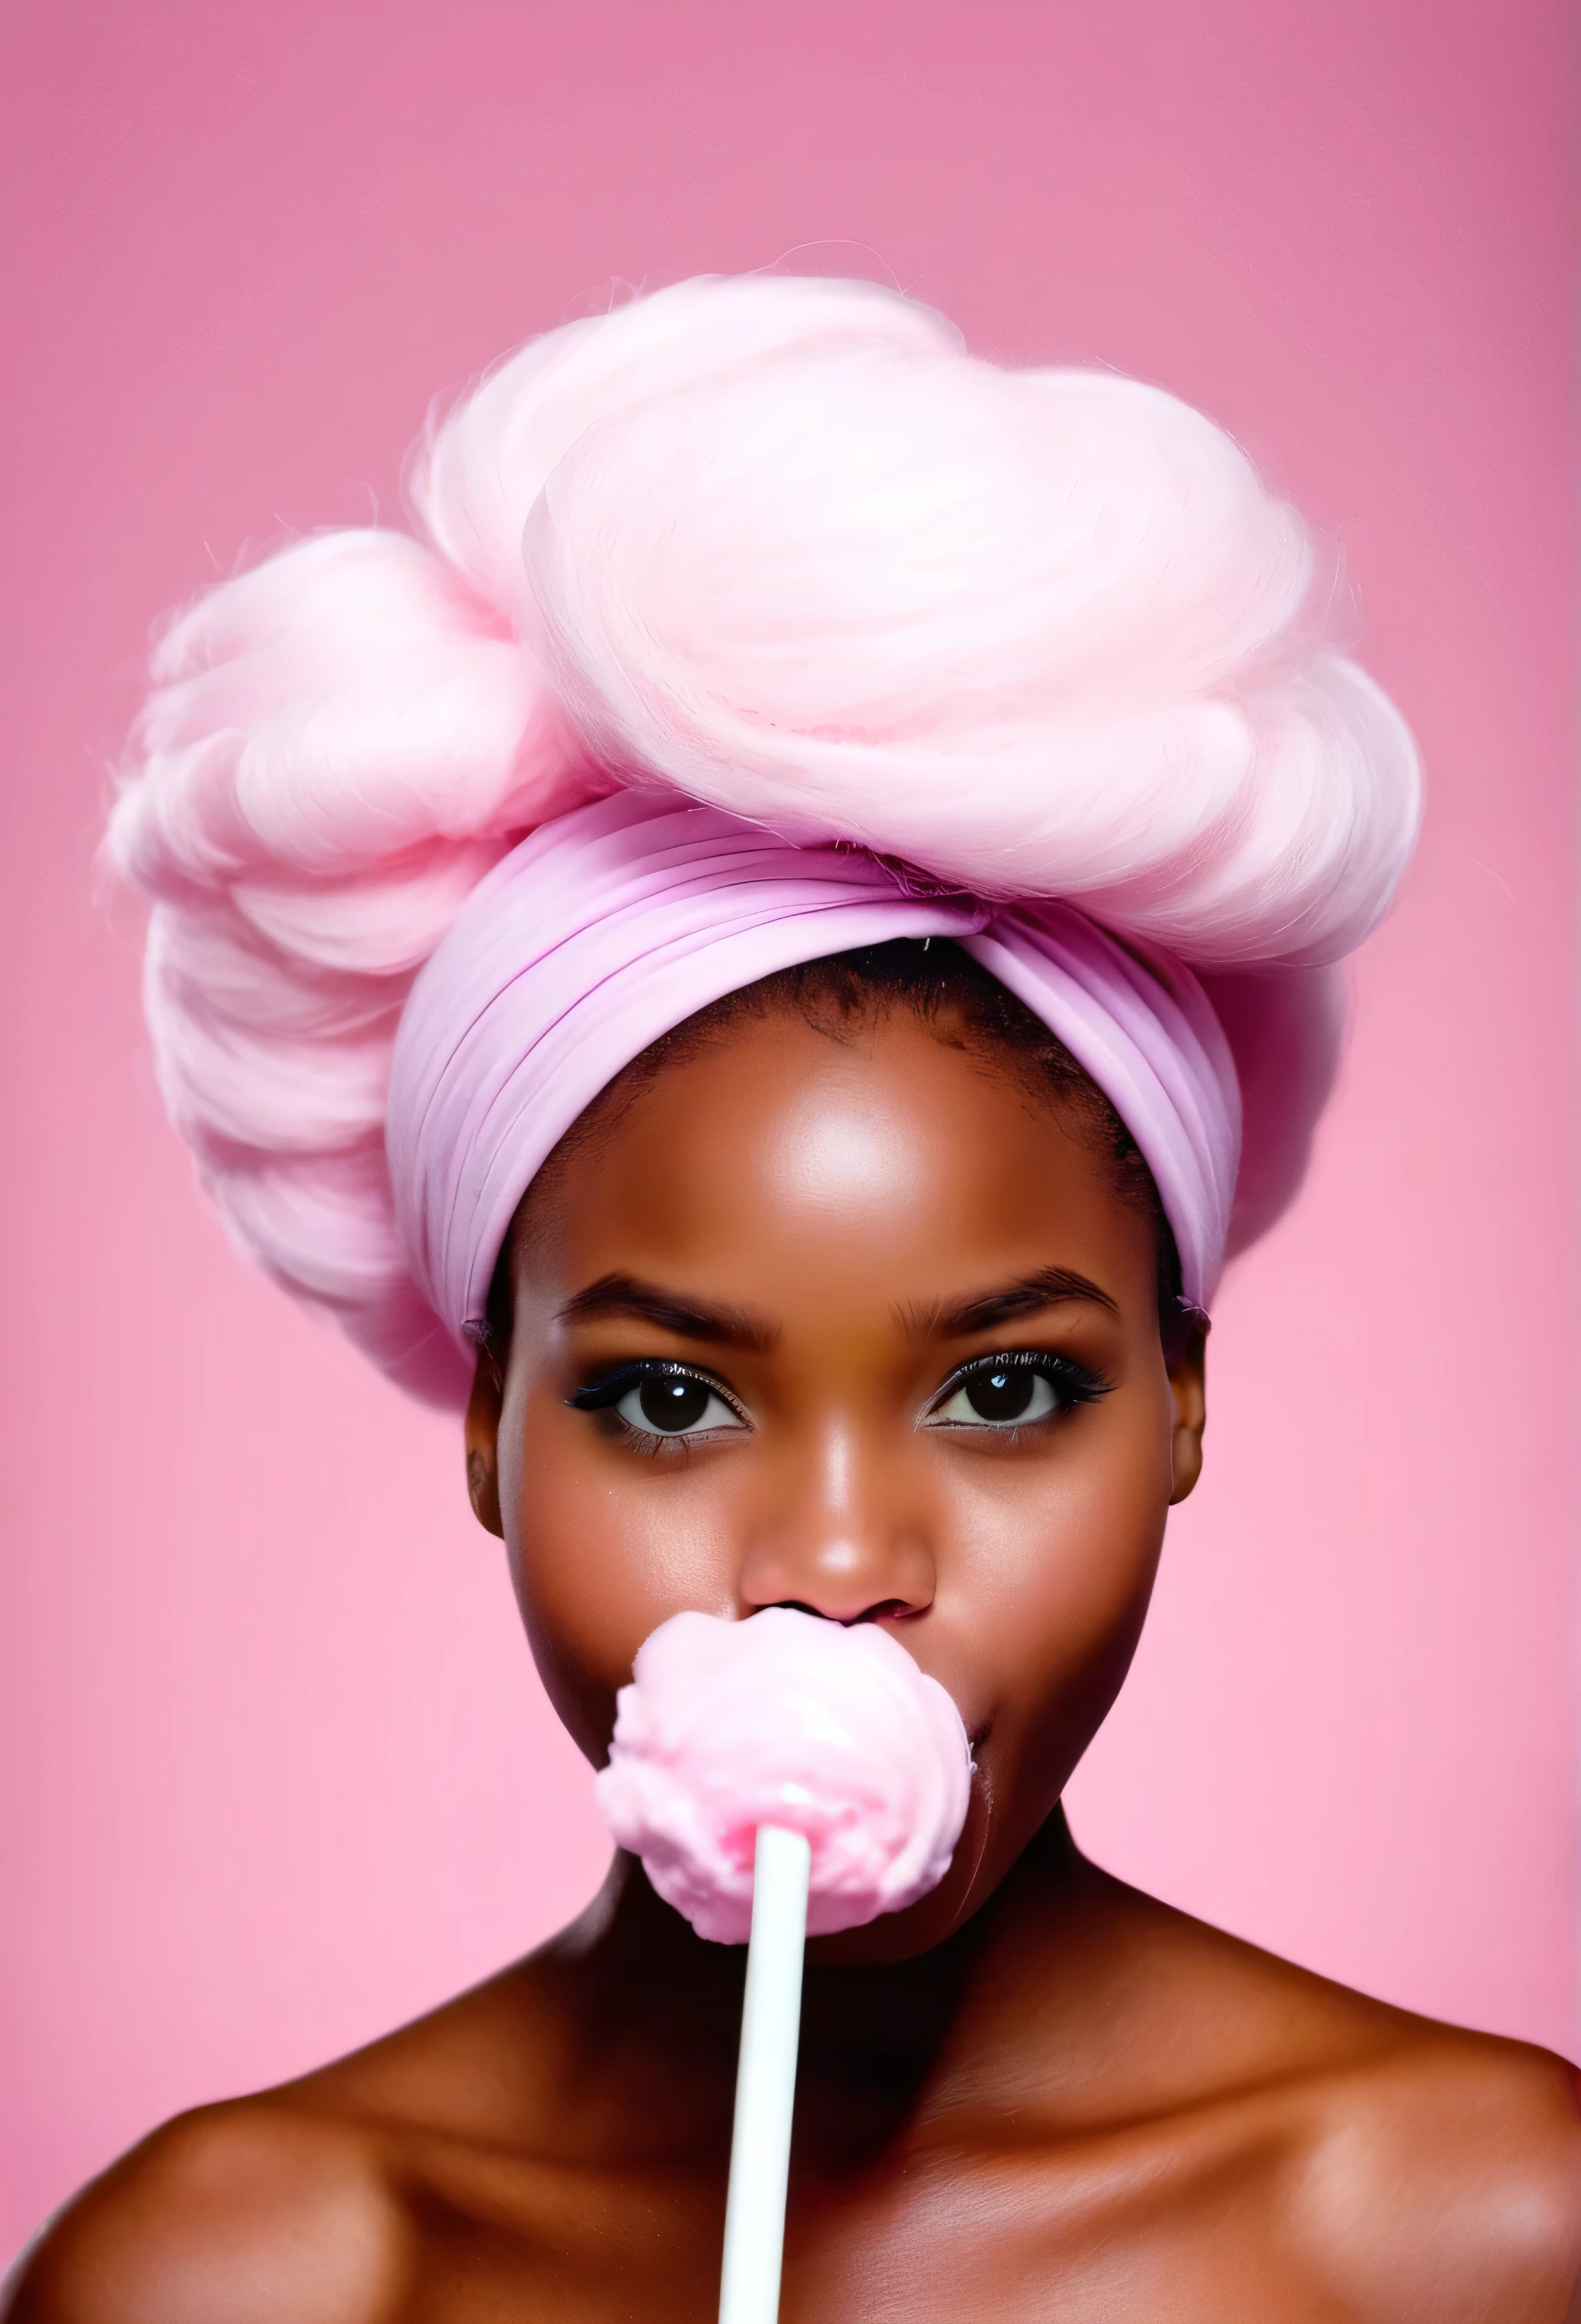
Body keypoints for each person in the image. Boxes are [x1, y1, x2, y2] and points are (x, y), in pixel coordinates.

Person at [9, 275, 1578, 2321]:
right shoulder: (238, 2286)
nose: (835, 1563)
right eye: (670, 1401)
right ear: (489, 1424)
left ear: (1185, 1397)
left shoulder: (1478, 2240)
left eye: (1008, 1390)